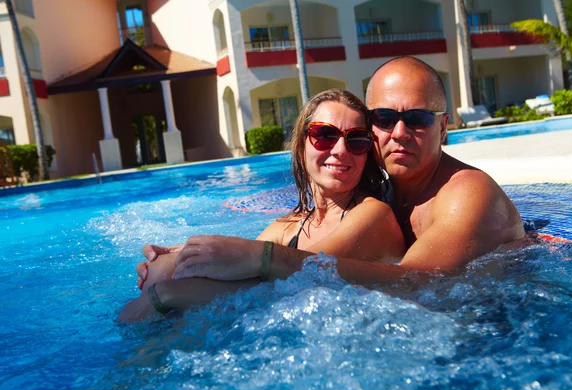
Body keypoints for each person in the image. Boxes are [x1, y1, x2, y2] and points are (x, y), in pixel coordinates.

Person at [135, 56, 525, 298]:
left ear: (443, 127)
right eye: (384, 119)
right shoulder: (388, 192)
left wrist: (261, 258)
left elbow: (417, 285)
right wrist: (188, 257)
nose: (399, 133)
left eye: (418, 119)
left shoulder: (466, 193)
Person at [119, 88, 405, 321]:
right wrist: (172, 259)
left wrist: (166, 293)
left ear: (367, 152)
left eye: (357, 139)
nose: (340, 150)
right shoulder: (290, 226)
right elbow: (236, 263)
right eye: (325, 135)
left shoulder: (372, 215)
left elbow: (294, 281)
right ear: (302, 144)